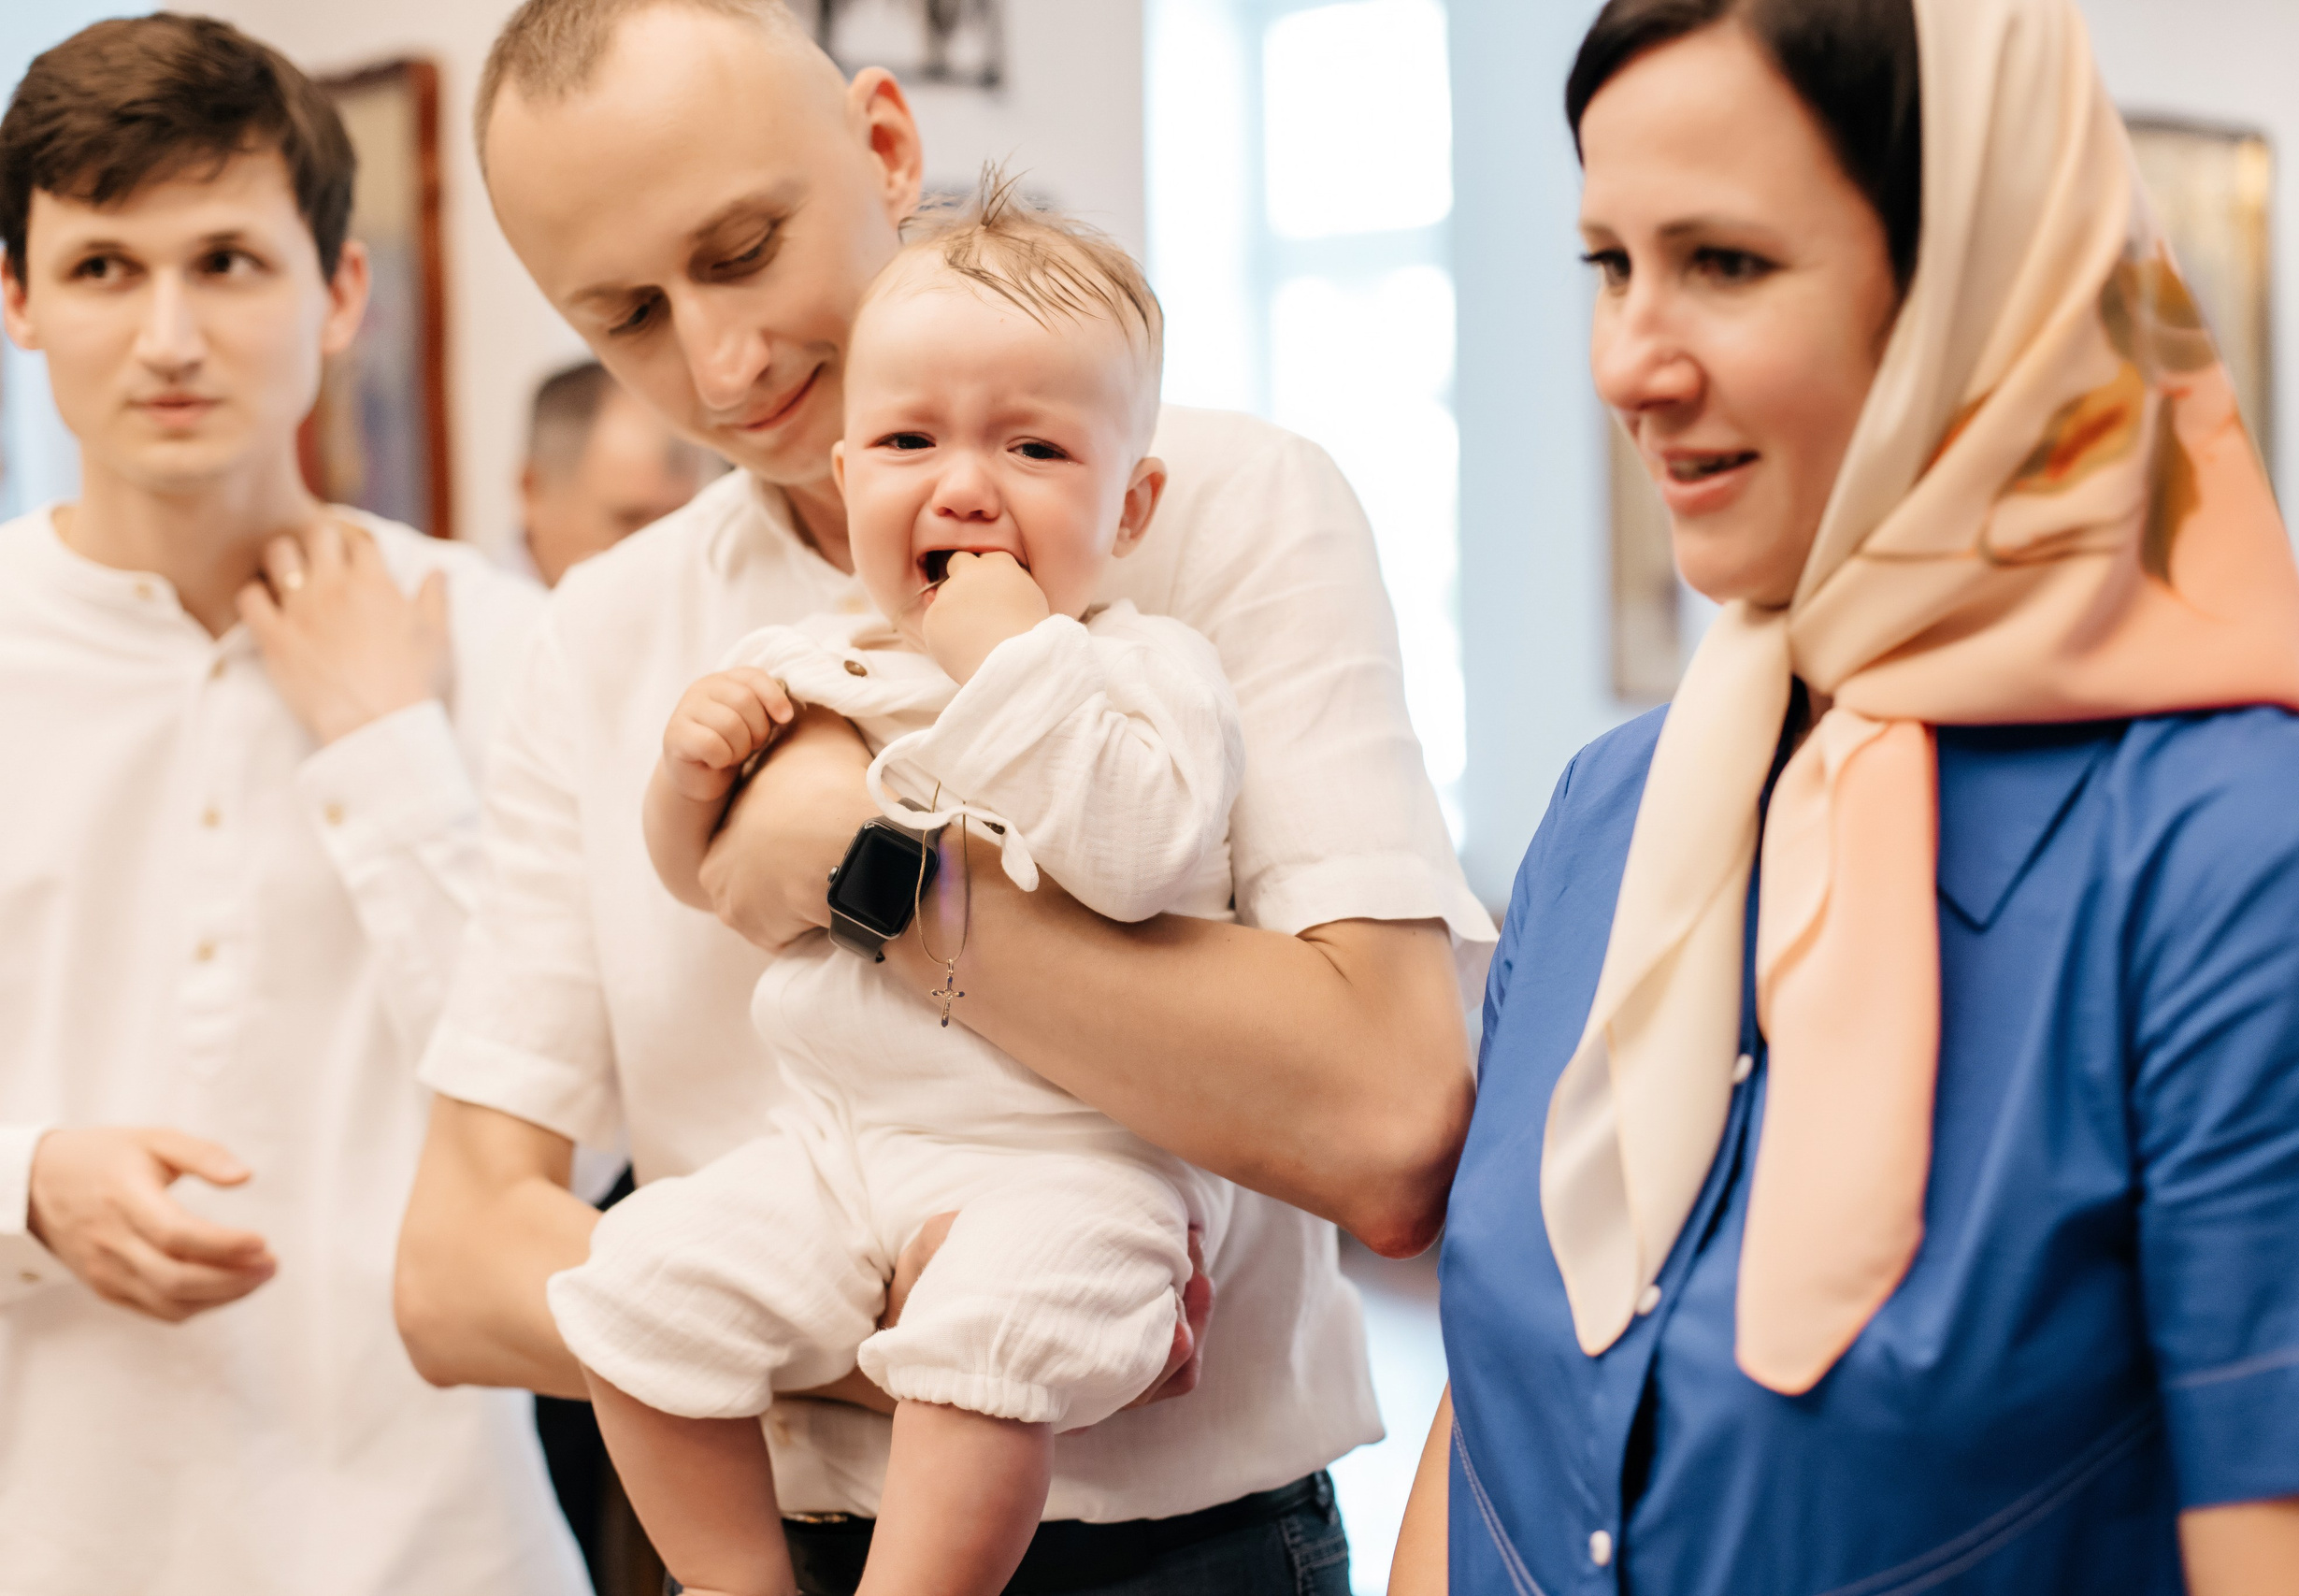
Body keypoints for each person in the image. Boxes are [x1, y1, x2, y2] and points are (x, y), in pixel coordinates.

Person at [395, 0, 1492, 1589]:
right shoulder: (611, 629)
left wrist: (867, 870)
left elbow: (1391, 1127)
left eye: (743, 248)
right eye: (625, 314)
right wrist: (950, 1349)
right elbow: (453, 1265)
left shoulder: (1228, 509)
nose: (720, 360)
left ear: (887, 147)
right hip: (778, 1529)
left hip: (1190, 1556)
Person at [1392, 0, 2299, 1591]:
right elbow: (1506, 1390)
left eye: (1722, 263)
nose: (1626, 364)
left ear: (1970, 284)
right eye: (1609, 262)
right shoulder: (1610, 815)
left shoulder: (2261, 860)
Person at [562, 186, 1257, 1596]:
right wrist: (690, 780)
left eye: (1034, 444)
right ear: (843, 468)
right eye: (907, 440)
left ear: (1130, 504)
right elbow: (716, 885)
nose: (962, 484)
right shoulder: (818, 660)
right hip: (841, 1143)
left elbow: (1137, 860)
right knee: (628, 1283)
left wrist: (1015, 661)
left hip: (1073, 1159)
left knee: (987, 1334)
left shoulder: (1144, 671)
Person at [0, 16, 585, 1596]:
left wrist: (390, 753)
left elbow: (585, 1148)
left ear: (337, 295)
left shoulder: (511, 645)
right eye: (107, 268)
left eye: (229, 264)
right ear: (19, 298)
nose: (169, 335)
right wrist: (27, 1177)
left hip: (448, 1548)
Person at [518, 357, 707, 586]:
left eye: (680, 522)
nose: (664, 557)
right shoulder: (471, 615)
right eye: (631, 521)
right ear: (532, 492)